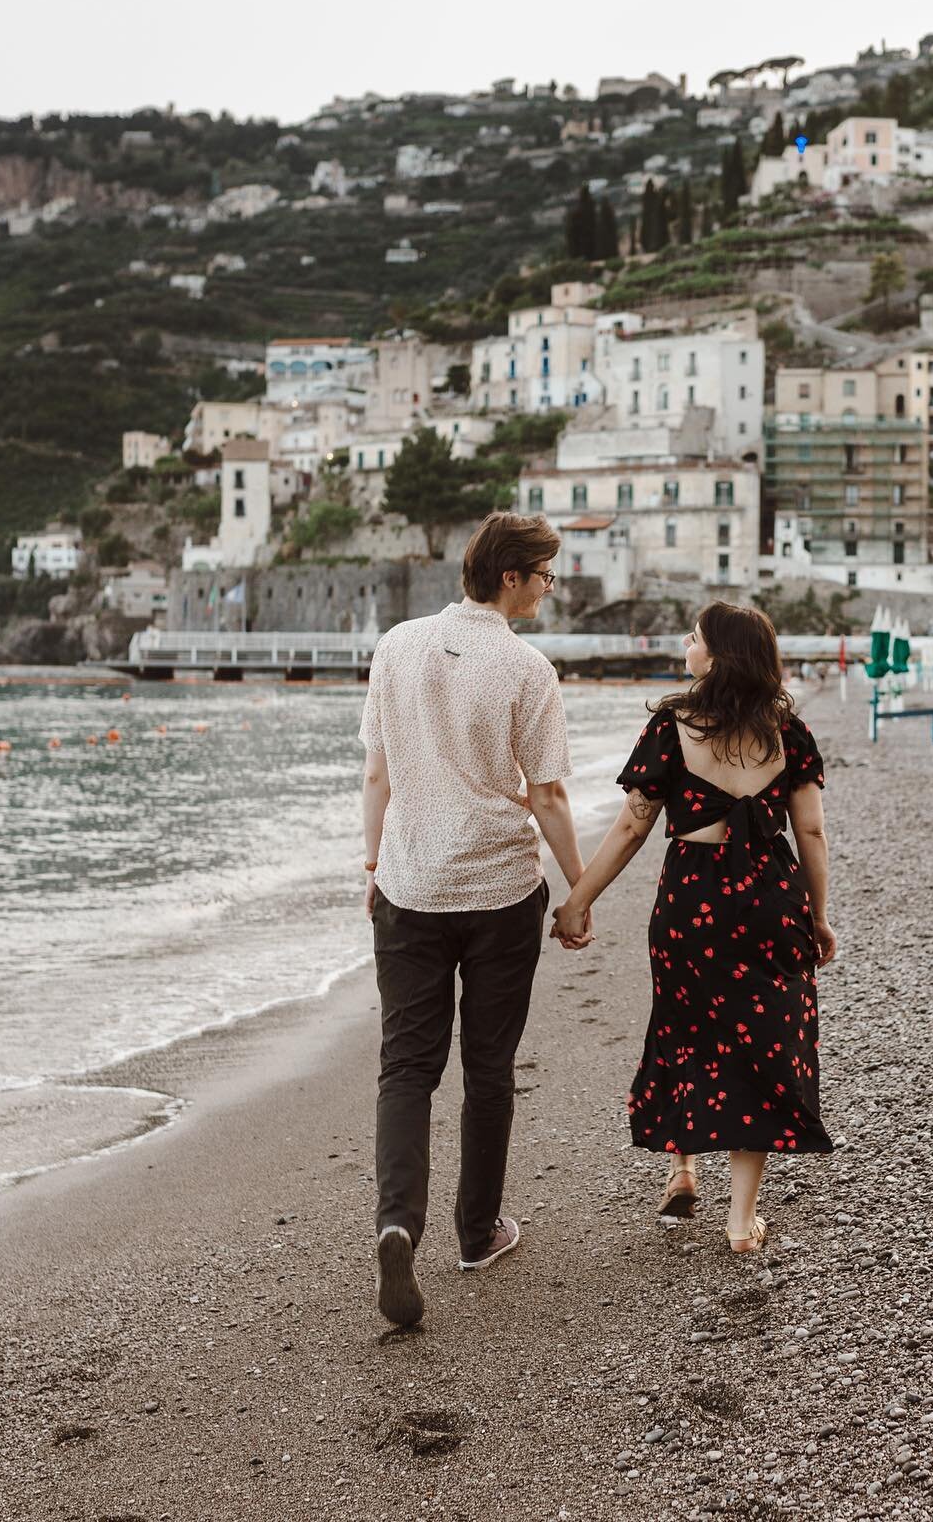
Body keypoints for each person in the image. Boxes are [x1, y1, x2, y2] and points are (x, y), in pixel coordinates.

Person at [552, 601, 835, 1253]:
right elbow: (812, 830)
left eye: (695, 636)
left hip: (692, 899)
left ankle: (683, 1165)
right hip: (770, 898)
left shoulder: (671, 724)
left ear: (718, 654)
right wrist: (818, 916)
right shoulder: (789, 731)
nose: (686, 642)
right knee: (763, 1045)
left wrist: (578, 901)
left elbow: (631, 825)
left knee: (686, 1025)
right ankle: (740, 1220)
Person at [359, 512, 585, 1327]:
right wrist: (580, 888)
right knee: (488, 1067)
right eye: (547, 575)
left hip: (410, 885)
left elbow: (379, 771)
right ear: (513, 576)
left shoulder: (395, 645)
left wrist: (373, 864)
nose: (551, 590)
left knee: (406, 1068)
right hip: (497, 890)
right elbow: (551, 795)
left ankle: (397, 1223)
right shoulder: (526, 667)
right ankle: (476, 1233)